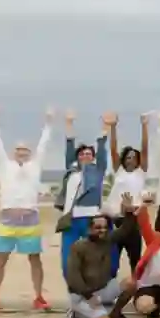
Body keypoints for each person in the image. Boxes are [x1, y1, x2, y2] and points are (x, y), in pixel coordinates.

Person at [0, 105, 53, 314]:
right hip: (7, 220)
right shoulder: (5, 165)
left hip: (29, 220)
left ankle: (39, 296)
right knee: (0, 260)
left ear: (29, 154)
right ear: (14, 153)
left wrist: (49, 123)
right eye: (19, 150)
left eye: (25, 151)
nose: (22, 153)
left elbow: (44, 145)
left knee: (35, 260)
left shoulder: (35, 166)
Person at [63, 194, 139, 318]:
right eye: (98, 228)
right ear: (89, 229)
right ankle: (76, 312)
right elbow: (73, 277)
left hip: (103, 290)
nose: (102, 231)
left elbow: (125, 230)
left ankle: (115, 313)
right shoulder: (78, 247)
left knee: (131, 283)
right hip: (83, 295)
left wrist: (129, 213)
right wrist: (88, 296)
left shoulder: (107, 240)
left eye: (104, 227)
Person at [55, 110, 112, 279]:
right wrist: (69, 124)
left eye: (89, 154)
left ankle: (93, 294)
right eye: (82, 154)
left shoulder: (98, 169)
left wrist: (105, 127)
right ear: (77, 157)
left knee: (93, 258)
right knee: (68, 259)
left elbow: (102, 148)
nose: (85, 155)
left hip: (92, 219)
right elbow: (69, 145)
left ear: (93, 158)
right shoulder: (71, 170)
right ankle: (74, 294)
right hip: (71, 219)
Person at [107, 112, 153, 274]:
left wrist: (144, 126)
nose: (131, 160)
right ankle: (109, 290)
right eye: (128, 157)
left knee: (135, 259)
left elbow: (145, 148)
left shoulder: (141, 172)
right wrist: (113, 127)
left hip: (133, 219)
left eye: (134, 157)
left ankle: (137, 291)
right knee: (112, 259)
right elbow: (112, 149)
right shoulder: (118, 171)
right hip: (117, 218)